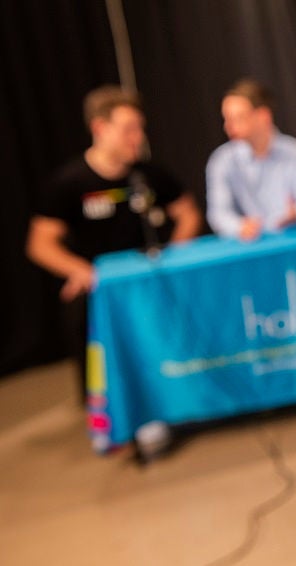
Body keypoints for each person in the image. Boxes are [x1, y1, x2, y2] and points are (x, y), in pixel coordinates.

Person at [25, 84, 201, 403]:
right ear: (100, 128)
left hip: (148, 278)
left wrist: (173, 256)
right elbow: (40, 244)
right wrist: (82, 271)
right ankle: (105, 408)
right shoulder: (69, 183)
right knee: (80, 316)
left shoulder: (148, 175)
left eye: (140, 129)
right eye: (128, 130)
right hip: (101, 288)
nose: (137, 138)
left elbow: (187, 213)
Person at [206, 78, 296, 240]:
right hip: (250, 247)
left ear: (263, 116)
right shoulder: (222, 161)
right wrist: (240, 226)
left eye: (238, 117)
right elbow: (218, 213)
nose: (228, 126)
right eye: (227, 119)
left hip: (294, 239)